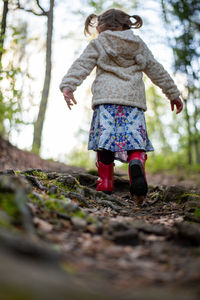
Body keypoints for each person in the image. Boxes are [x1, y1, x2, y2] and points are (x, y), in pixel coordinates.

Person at [59, 8, 183, 202]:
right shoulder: (138, 44)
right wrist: (173, 94)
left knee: (105, 144)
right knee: (135, 142)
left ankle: (105, 183)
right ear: (126, 25)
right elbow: (156, 69)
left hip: (106, 102)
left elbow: (81, 64)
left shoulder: (99, 43)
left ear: (101, 26)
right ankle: (135, 162)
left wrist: (68, 85)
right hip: (133, 103)